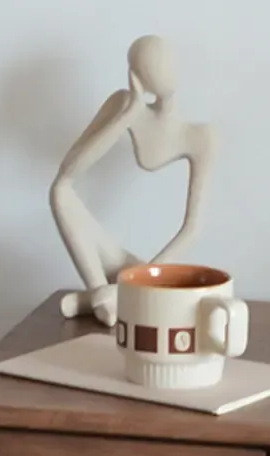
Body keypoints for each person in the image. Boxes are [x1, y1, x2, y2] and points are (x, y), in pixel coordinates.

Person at [50, 35, 217, 326]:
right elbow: (67, 173)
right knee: (60, 192)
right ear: (136, 76)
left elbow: (192, 229)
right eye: (149, 67)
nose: (160, 73)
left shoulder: (201, 137)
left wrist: (141, 279)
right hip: (119, 265)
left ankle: (103, 298)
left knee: (168, 294)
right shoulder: (123, 105)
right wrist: (127, 114)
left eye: (163, 64)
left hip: (150, 273)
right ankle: (103, 294)